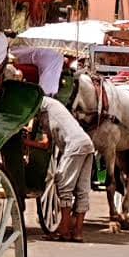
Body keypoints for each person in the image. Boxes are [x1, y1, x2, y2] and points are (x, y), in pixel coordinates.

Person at [39, 94, 95, 242]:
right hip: (87, 143)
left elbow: (45, 143)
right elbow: (47, 142)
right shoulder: (53, 106)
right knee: (83, 190)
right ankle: (77, 232)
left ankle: (63, 230)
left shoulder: (42, 107)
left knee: (64, 186)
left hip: (74, 145)